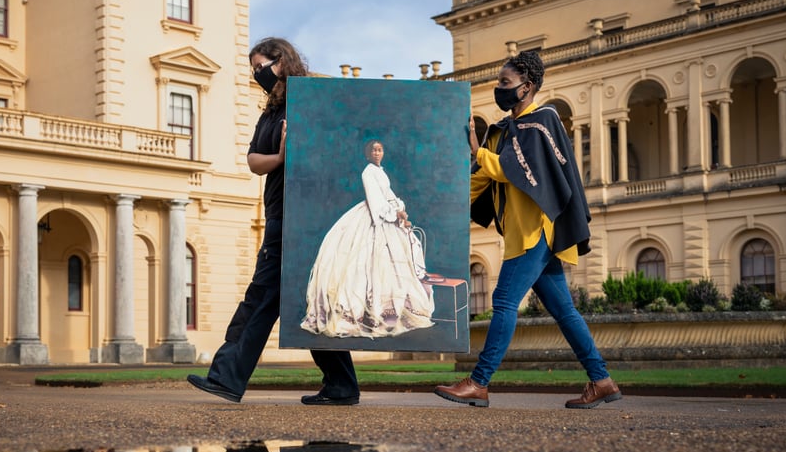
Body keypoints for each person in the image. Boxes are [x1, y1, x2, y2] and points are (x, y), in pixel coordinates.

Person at [434, 50, 621, 409]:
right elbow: (482, 178)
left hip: (536, 231)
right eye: (498, 83)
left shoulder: (543, 120)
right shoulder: (503, 131)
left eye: (505, 83)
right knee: (565, 311)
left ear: (527, 86)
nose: (499, 90)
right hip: (523, 234)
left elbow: (514, 168)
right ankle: (601, 380)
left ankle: (479, 382)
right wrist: (449, 199)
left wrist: (480, 154)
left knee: (503, 302)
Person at [187, 37, 361, 406]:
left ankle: (226, 377)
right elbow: (253, 161)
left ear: (281, 62)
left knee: (262, 297)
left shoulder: (314, 104)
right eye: (252, 68)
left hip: (305, 218)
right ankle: (342, 385)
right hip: (279, 214)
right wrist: (280, 157)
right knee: (310, 304)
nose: (256, 73)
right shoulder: (270, 113)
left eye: (260, 65)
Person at [301, 139, 434, 338]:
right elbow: (376, 202)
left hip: (389, 216)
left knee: (396, 262)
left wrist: (400, 209)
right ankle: (367, 313)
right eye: (374, 150)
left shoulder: (381, 171)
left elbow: (389, 195)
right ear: (368, 154)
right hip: (375, 218)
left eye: (380, 150)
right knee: (365, 265)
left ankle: (391, 309)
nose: (377, 153)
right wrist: (394, 214)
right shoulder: (368, 172)